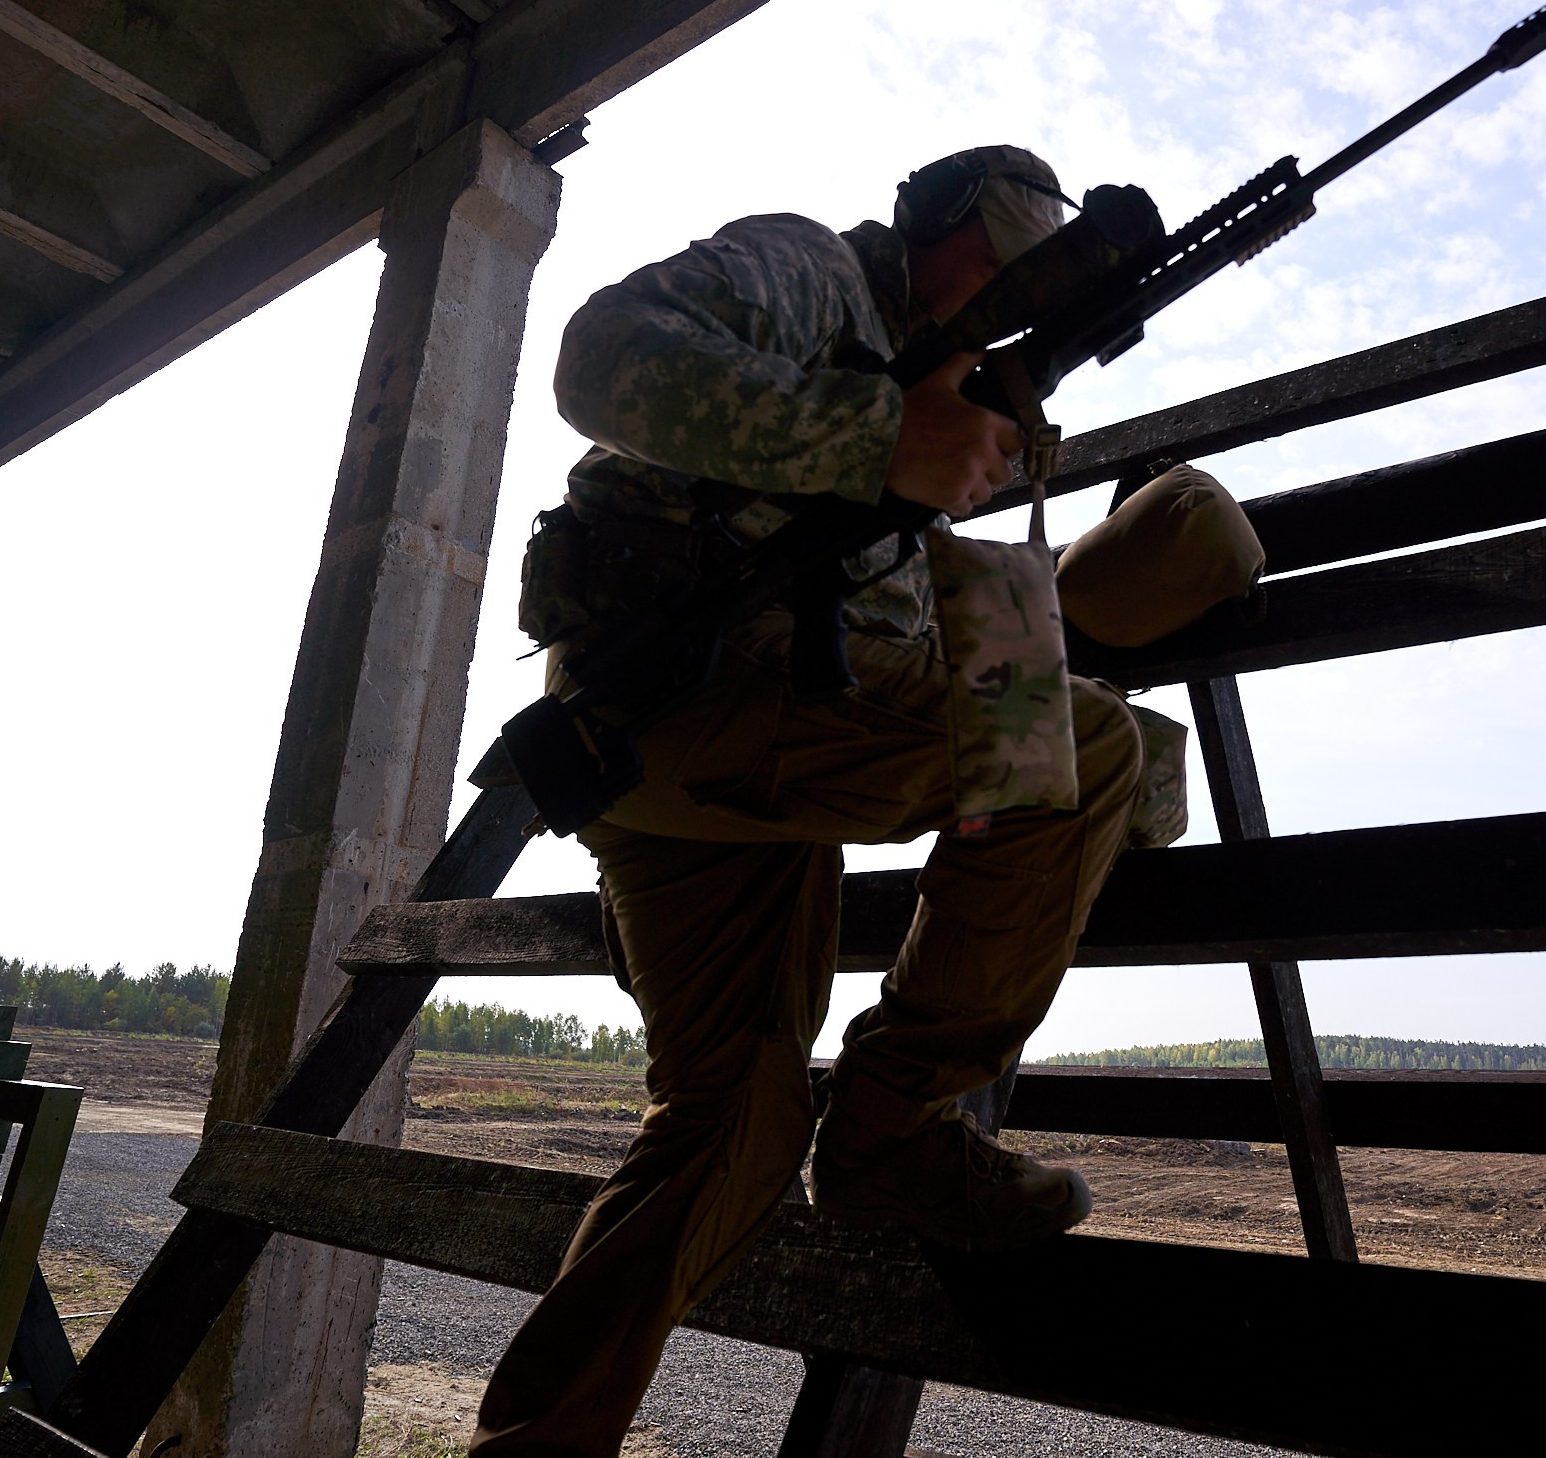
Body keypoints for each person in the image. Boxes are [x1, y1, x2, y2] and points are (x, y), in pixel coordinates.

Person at [474, 147, 1264, 1457]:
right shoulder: (813, 273)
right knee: (1072, 746)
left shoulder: (930, 388)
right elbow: (600, 356)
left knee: (734, 1121)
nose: (1019, 286)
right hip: (705, 709)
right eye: (1009, 249)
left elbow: (929, 590)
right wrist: (881, 440)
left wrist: (1107, 684)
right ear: (938, 224)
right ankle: (897, 1121)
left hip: (697, 776)